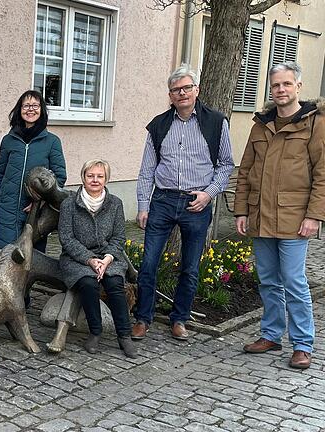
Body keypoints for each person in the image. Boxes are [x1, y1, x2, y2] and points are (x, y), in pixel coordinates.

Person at [133, 65, 234, 341]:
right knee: (148, 264)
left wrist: (209, 193)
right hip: (163, 200)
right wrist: (143, 205)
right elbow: (146, 170)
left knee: (190, 267)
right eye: (176, 90)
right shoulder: (158, 125)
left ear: (196, 90)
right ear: (170, 95)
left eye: (187, 88)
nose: (182, 93)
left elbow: (226, 165)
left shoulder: (215, 122)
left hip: (196, 202)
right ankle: (143, 318)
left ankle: (180, 319)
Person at [235, 61, 323, 370]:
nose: (281, 90)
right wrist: (242, 210)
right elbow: (245, 171)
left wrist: (314, 216)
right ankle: (271, 334)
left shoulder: (314, 123)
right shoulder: (261, 124)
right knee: (268, 280)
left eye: (286, 84)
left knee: (294, 280)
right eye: (275, 85)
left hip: (294, 218)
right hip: (261, 216)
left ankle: (302, 344)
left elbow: (322, 174)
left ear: (298, 86)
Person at [47, 160, 136, 358]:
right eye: (90, 176)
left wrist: (107, 259)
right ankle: (95, 332)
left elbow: (119, 237)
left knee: (114, 283)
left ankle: (124, 335)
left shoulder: (115, 204)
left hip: (108, 257)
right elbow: (66, 238)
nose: (95, 180)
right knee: (88, 283)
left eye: (100, 176)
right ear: (83, 178)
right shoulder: (69, 204)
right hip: (77, 258)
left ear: (106, 179)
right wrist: (89, 260)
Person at [0, 90, 67, 251]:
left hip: (35, 208)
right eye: (26, 105)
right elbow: (1, 174)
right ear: (19, 110)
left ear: (41, 110)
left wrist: (42, 201)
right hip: (8, 206)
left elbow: (59, 176)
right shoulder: (8, 140)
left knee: (32, 254)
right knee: (5, 253)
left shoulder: (52, 142)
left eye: (35, 105)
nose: (30, 109)